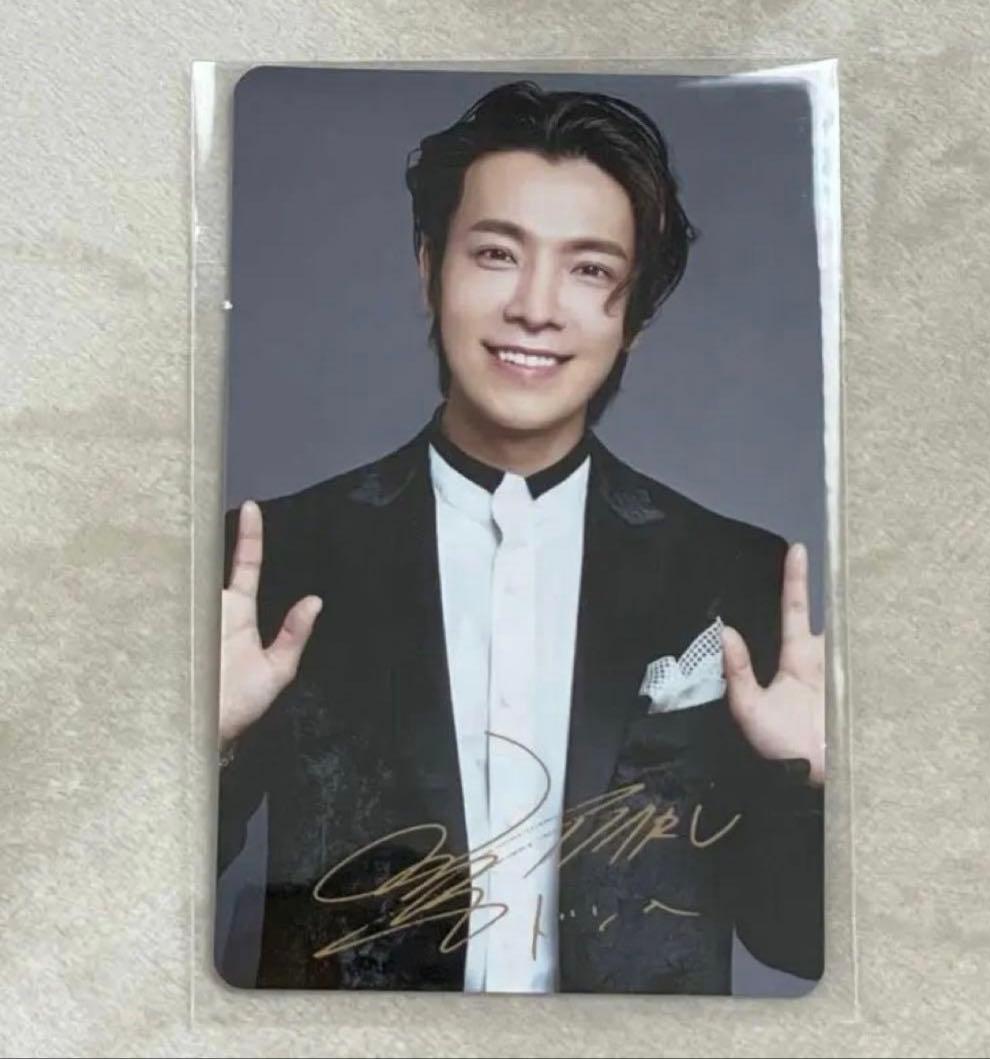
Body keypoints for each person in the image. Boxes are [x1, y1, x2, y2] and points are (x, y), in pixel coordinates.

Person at [216, 80, 825, 994]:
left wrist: (804, 787)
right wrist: (200, 747)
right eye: (497, 253)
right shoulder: (271, 555)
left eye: (590, 270)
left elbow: (799, 943)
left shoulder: (737, 573)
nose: (536, 307)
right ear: (429, 266)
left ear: (634, 316)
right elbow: (112, 910)